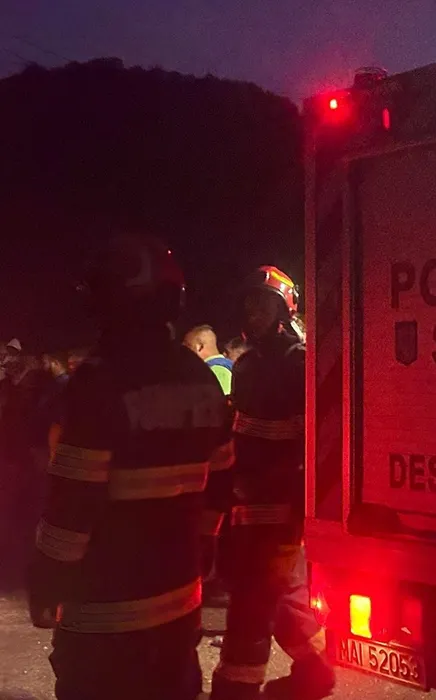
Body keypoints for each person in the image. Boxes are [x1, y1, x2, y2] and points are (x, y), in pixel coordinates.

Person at [27, 234, 234, 700]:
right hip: (179, 608)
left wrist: (45, 578)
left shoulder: (99, 382)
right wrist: (202, 549)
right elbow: (221, 484)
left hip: (104, 620)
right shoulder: (200, 378)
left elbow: (73, 505)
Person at [212, 266, 333, 700]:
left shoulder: (298, 363)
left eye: (263, 304)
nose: (253, 312)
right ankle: (316, 669)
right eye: (249, 304)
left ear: (283, 310)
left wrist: (299, 508)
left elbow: (311, 440)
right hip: (249, 501)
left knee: (251, 601)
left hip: (281, 505)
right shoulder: (247, 365)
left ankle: (234, 689)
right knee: (280, 597)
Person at [184, 325, 234, 396]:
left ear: (199, 347)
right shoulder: (224, 366)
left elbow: (223, 400)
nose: (185, 352)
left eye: (188, 347)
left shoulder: (217, 370)